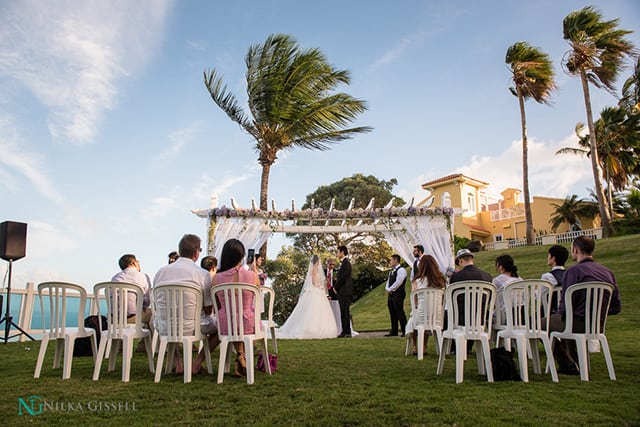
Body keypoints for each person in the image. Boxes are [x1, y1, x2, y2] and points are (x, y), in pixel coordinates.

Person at [547, 236, 621, 375]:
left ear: (575, 250)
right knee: (565, 321)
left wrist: (559, 314)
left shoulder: (573, 272)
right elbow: (616, 307)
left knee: (540, 325)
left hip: (576, 322)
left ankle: (567, 363)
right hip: (597, 324)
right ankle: (577, 362)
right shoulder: (607, 272)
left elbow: (565, 307)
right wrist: (596, 314)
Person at [154, 234, 219, 375]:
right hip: (193, 327)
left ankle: (178, 364)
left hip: (165, 326)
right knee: (222, 327)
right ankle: (196, 364)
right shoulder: (202, 274)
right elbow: (208, 310)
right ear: (196, 252)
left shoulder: (160, 272)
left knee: (171, 321)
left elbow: (157, 304)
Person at [212, 238, 261, 377]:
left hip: (225, 325)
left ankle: (240, 354)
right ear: (242, 256)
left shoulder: (216, 278)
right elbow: (257, 299)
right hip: (248, 323)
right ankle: (242, 356)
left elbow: (217, 304)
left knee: (233, 319)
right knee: (243, 320)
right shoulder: (253, 276)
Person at [277, 255, 339, 339]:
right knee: (313, 310)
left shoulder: (315, 270)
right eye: (318, 261)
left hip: (317, 291)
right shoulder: (314, 270)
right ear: (316, 262)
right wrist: (320, 286)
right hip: (315, 291)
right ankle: (311, 329)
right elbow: (314, 282)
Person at [448, 249, 492, 353]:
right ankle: (468, 347)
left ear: (461, 261)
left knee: (446, 315)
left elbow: (452, 297)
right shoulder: (487, 276)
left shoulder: (456, 277)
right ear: (473, 259)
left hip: (461, 318)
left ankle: (454, 347)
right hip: (480, 317)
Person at [111, 254, 153, 352]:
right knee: (153, 314)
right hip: (132, 318)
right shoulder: (142, 276)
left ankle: (120, 345)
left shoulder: (115, 278)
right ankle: (143, 345)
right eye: (137, 261)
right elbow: (147, 299)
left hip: (114, 318)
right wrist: (143, 306)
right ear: (133, 263)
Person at [405, 254, 446, 354]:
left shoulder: (417, 281)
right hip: (437, 317)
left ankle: (416, 346)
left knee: (415, 318)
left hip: (421, 315)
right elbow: (443, 300)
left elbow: (414, 300)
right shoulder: (441, 282)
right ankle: (424, 346)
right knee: (426, 315)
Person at [492, 254, 522, 324]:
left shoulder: (498, 280)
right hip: (520, 316)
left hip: (504, 316)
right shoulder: (520, 279)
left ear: (501, 267)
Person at [540, 245, 569, 314]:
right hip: (567, 311)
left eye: (549, 256)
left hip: (551, 312)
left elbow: (542, 298)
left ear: (553, 258)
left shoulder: (547, 277)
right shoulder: (569, 275)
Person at [384, 254, 407, 337]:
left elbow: (399, 281)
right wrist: (387, 288)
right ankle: (394, 330)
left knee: (399, 311)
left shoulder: (401, 270)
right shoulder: (391, 271)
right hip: (391, 294)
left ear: (395, 260)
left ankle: (405, 330)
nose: (390, 262)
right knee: (392, 312)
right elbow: (388, 281)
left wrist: (391, 289)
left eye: (391, 260)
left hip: (398, 293)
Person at [334, 245, 353, 338]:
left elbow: (343, 278)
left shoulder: (346, 263)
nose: (337, 254)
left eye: (338, 252)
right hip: (343, 291)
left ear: (342, 252)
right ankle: (345, 330)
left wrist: (336, 287)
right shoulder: (343, 263)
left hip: (344, 291)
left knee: (345, 311)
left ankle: (347, 331)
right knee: (343, 311)